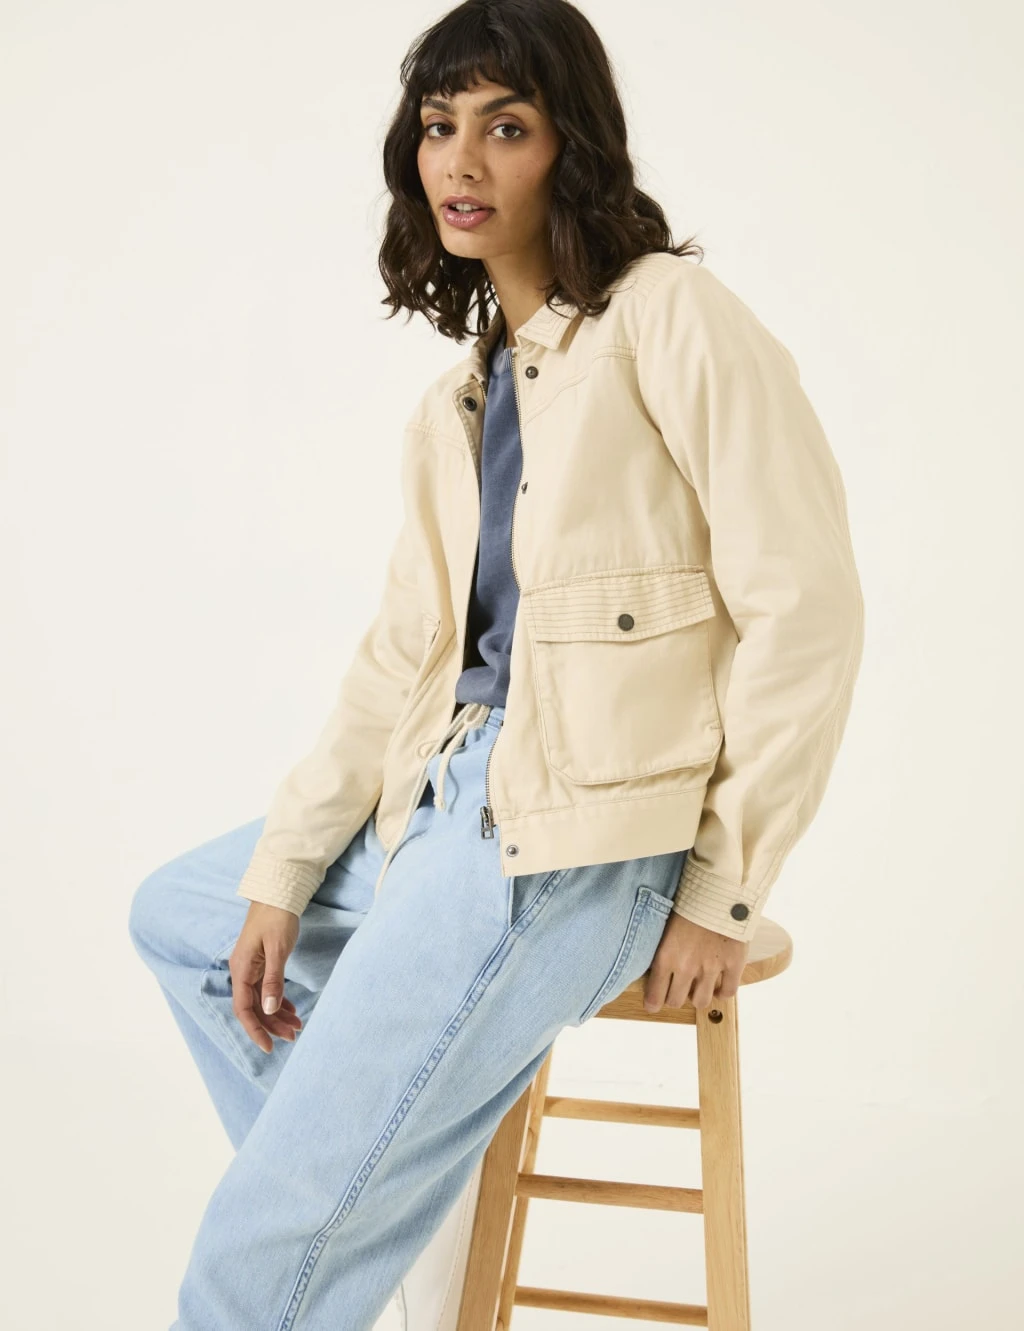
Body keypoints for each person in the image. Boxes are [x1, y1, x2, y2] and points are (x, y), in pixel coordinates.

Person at [128, 1, 865, 1327]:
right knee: (186, 916)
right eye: (438, 126)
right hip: (448, 797)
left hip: (580, 845)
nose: (461, 161)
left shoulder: (669, 318)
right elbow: (397, 661)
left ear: (571, 145)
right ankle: (380, 1191)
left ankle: (339, 1201)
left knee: (265, 1230)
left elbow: (805, 610)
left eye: (506, 127)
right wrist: (287, 866)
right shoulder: (461, 402)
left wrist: (724, 885)